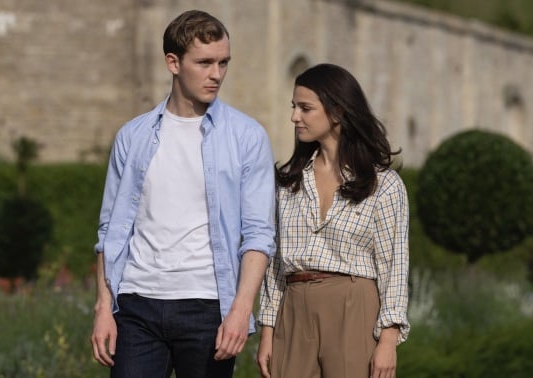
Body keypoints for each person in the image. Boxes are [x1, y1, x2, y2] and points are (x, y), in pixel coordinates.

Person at [90, 10, 276, 378]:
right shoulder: (133, 136)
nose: (217, 74)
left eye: (223, 62)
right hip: (137, 304)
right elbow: (110, 231)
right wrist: (103, 307)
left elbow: (258, 233)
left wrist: (240, 310)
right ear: (172, 63)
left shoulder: (247, 137)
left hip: (207, 307)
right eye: (204, 63)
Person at [256, 63, 410, 378]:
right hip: (294, 309)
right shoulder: (288, 183)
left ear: (337, 112)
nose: (294, 117)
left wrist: (389, 339)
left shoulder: (383, 184)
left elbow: (395, 264)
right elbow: (275, 262)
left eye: (305, 108)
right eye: (294, 107)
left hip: (353, 308)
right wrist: (268, 329)